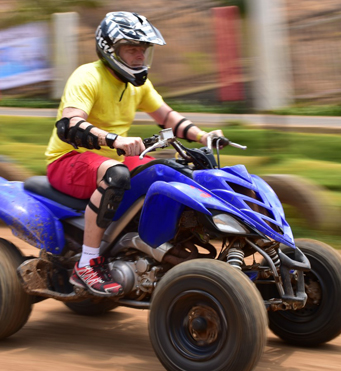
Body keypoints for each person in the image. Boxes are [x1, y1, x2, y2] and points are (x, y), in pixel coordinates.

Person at [45, 11, 225, 297]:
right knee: (117, 175)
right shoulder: (88, 76)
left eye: (143, 49)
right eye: (132, 48)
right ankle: (88, 263)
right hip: (68, 160)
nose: (140, 55)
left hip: (111, 156)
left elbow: (168, 118)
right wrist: (114, 139)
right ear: (111, 50)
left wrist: (205, 136)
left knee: (168, 175)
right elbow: (70, 125)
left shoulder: (137, 85)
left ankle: (157, 245)